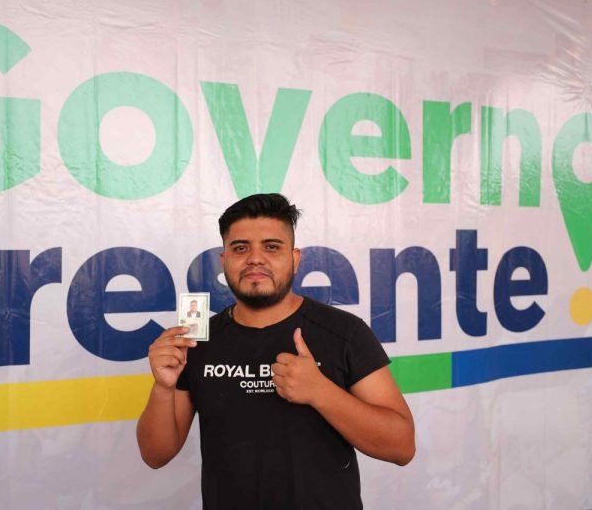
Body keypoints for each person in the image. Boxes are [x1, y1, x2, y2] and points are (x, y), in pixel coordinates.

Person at [136, 193, 415, 509]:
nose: (255, 258)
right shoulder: (197, 342)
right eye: (241, 248)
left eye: (271, 247)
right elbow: (155, 455)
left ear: (295, 259)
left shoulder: (345, 333)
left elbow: (402, 446)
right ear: (224, 261)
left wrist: (321, 392)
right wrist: (163, 387)